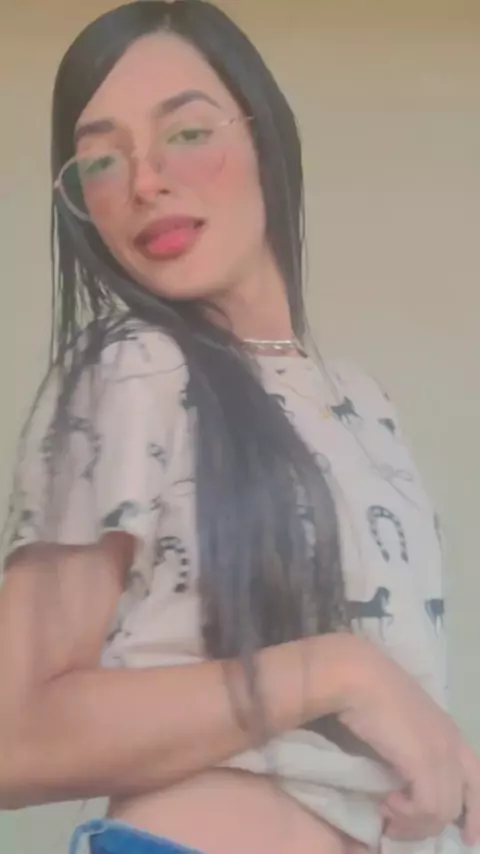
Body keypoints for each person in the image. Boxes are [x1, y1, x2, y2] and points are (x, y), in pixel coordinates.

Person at [0, 2, 479, 853]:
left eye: (186, 134)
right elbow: (14, 735)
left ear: (268, 139)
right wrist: (338, 672)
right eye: (101, 159)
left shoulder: (367, 404)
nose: (145, 181)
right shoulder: (135, 366)